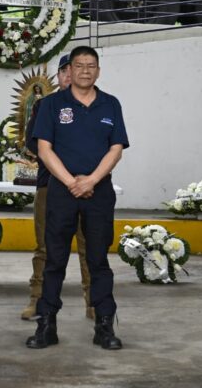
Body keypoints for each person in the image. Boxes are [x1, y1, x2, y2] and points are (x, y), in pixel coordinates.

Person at [27, 45, 129, 351]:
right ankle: (46, 325)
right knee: (54, 259)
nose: (85, 70)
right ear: (69, 70)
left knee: (98, 259)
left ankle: (104, 326)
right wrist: (71, 181)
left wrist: (92, 180)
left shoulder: (111, 105)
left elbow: (116, 148)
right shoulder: (51, 105)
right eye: (79, 65)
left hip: (98, 192)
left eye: (91, 65)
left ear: (98, 70)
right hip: (61, 191)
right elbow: (44, 149)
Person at [21, 54, 93, 321]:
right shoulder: (45, 106)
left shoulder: (94, 104)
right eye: (62, 71)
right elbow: (33, 142)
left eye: (71, 70)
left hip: (88, 187)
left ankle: (94, 303)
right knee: (45, 248)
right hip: (49, 186)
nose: (67, 76)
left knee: (90, 247)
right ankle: (37, 300)